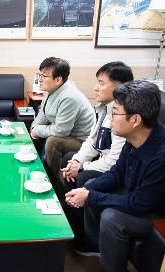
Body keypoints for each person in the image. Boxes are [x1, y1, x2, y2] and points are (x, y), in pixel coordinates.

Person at [65, 80, 165, 272]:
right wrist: (89, 190)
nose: (110, 118)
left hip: (160, 212)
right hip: (139, 194)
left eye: (115, 113)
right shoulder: (134, 137)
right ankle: (98, 245)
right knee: (93, 184)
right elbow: (116, 174)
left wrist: (90, 196)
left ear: (135, 119)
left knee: (113, 218)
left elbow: (139, 204)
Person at [59, 62, 134, 237]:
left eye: (101, 83)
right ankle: (73, 212)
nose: (95, 88)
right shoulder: (104, 108)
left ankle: (88, 235)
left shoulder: (121, 115)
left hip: (112, 168)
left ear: (120, 87)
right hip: (102, 161)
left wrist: (83, 168)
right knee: (69, 159)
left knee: (85, 176)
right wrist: (77, 161)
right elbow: (92, 142)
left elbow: (114, 162)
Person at [30, 57, 94, 183]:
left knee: (53, 141)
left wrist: (37, 130)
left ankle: (53, 181)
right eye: (40, 74)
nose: (40, 79)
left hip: (81, 140)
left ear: (58, 79)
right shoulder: (51, 89)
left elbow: (61, 131)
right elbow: (43, 114)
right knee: (36, 133)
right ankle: (38, 169)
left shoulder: (69, 96)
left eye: (44, 76)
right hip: (67, 133)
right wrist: (33, 128)